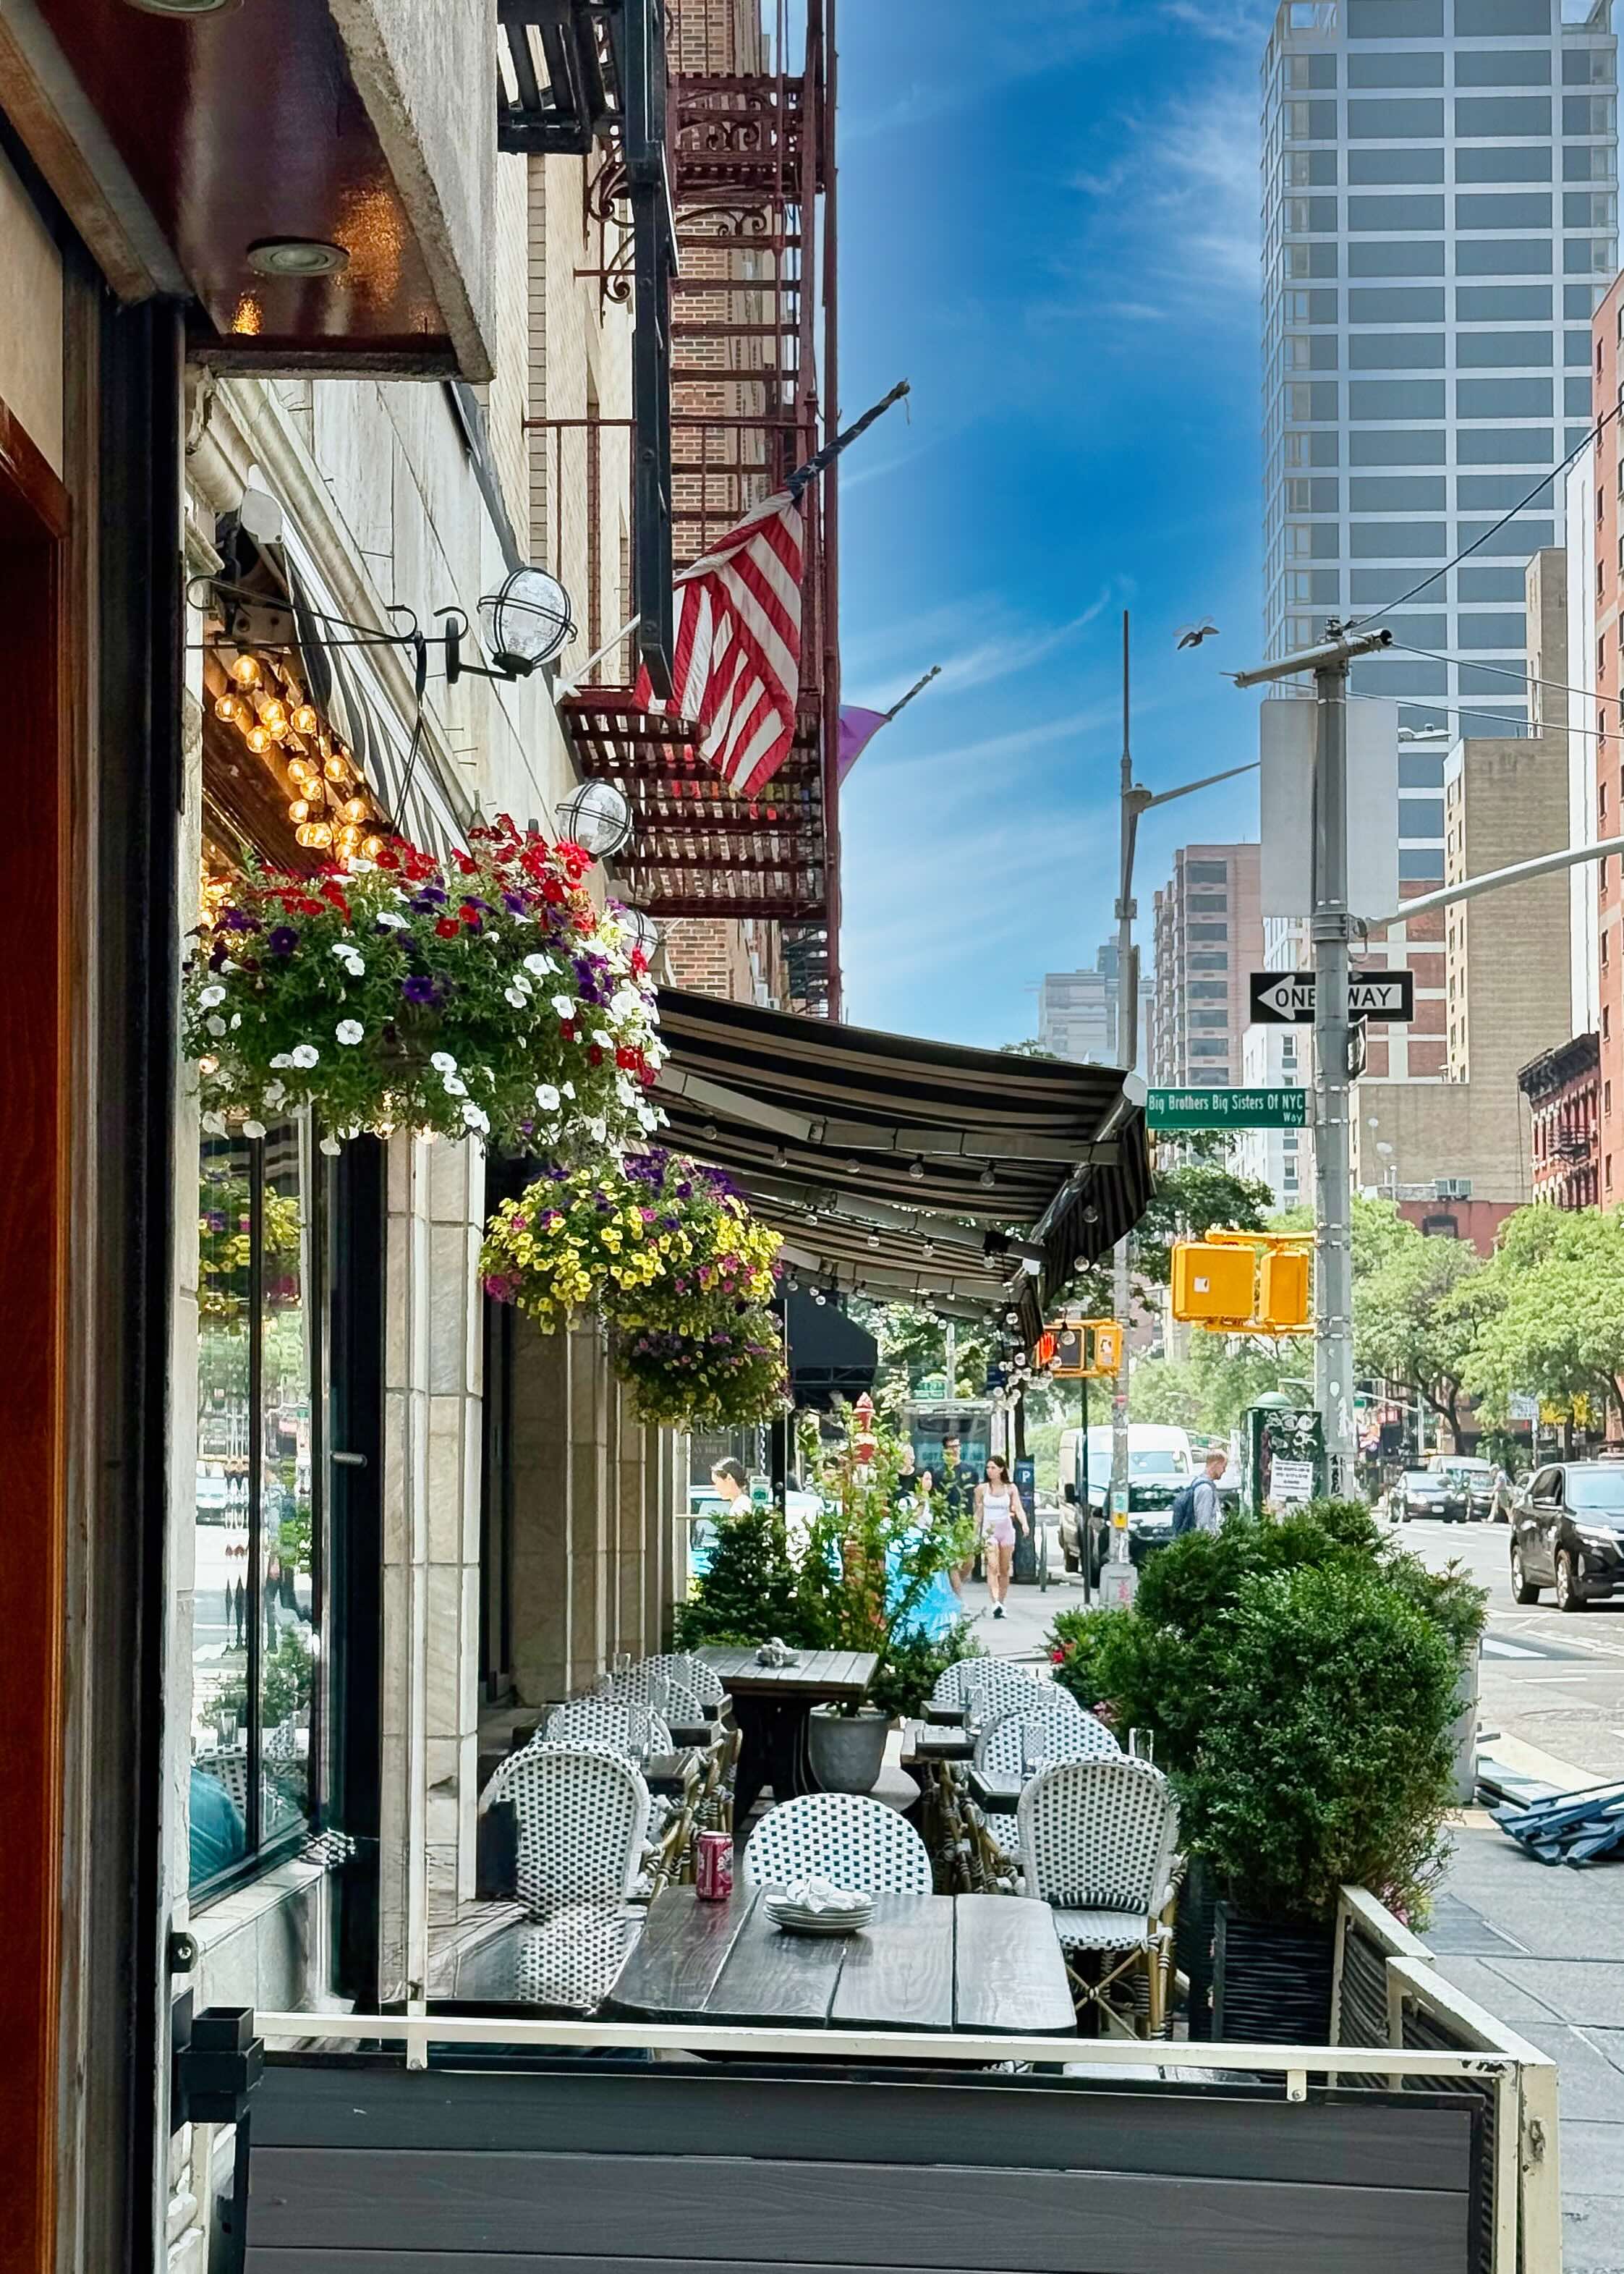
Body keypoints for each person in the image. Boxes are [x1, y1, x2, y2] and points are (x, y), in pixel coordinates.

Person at [974, 1454, 1029, 1619]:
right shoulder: (982, 1489)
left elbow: (1018, 1508)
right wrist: (974, 1532)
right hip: (989, 1531)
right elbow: (978, 1513)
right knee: (992, 1566)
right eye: (988, 1468)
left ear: (1001, 1469)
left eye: (993, 1468)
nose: (990, 1471)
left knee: (1004, 1569)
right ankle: (995, 1602)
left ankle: (1002, 1602)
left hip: (1006, 1530)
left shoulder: (1010, 1488)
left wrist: (1024, 1524)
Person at [939, 1434, 974, 1599]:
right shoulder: (940, 1474)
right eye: (951, 1447)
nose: (955, 1450)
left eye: (957, 1446)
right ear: (945, 1450)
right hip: (947, 1523)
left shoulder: (970, 1472)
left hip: (965, 1523)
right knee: (952, 1562)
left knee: (969, 1562)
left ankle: (953, 1588)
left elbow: (976, 1499)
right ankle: (958, 1597)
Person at [1190, 1447, 1228, 1534]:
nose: (1224, 1471)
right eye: (1224, 1466)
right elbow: (1204, 1522)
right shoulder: (1206, 1489)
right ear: (1216, 1464)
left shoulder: (1198, 1483)